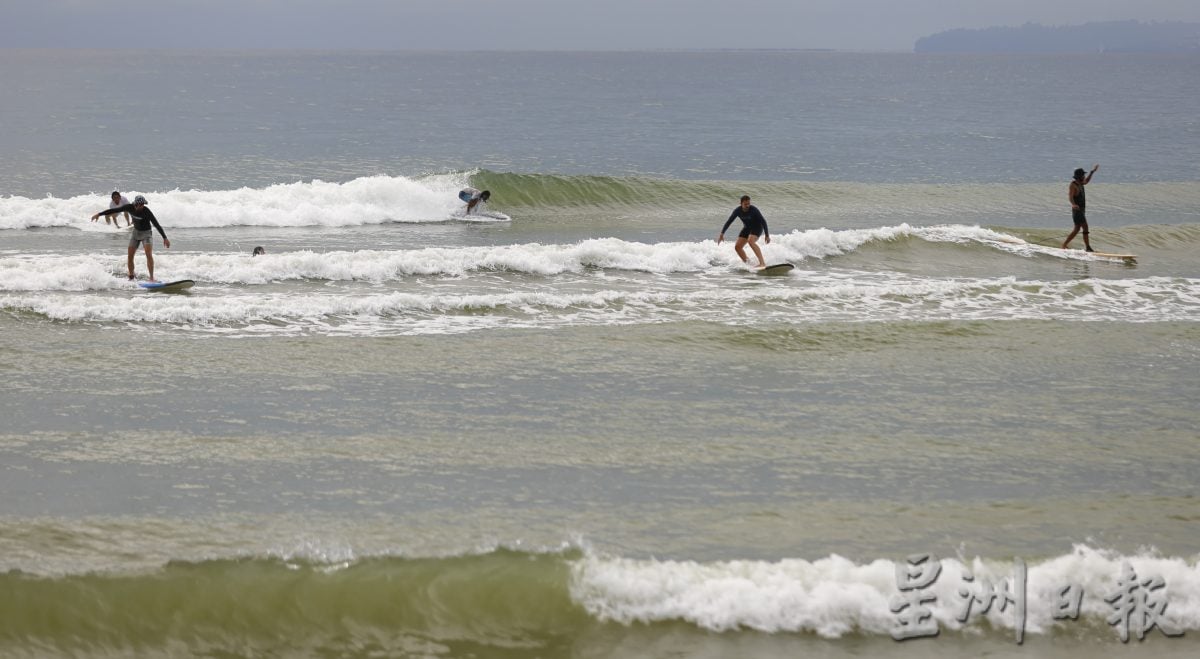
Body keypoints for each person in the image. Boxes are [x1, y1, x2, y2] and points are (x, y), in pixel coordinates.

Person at [91, 194, 171, 281]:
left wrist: (165, 238)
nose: (141, 206)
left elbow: (156, 225)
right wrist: (99, 214)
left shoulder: (146, 211)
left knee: (148, 255)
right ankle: (131, 276)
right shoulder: (129, 207)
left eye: (143, 205)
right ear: (135, 204)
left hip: (146, 234)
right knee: (130, 256)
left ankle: (151, 278)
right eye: (140, 205)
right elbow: (114, 210)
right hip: (135, 234)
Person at [717, 195, 771, 269]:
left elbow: (763, 221)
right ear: (741, 203)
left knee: (750, 241)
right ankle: (749, 264)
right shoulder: (737, 211)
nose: (747, 205)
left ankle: (762, 263)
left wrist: (767, 235)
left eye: (749, 203)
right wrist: (722, 233)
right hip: (747, 228)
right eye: (745, 204)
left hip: (757, 227)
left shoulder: (754, 209)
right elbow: (729, 221)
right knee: (737, 247)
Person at [1063, 164, 1099, 251]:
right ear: (1079, 176)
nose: (1084, 176)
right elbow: (1070, 196)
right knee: (1085, 227)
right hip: (1077, 210)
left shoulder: (1080, 183)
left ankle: (1064, 245)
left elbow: (1086, 181)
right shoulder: (1073, 185)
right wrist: (1073, 204)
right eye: (1083, 175)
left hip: (1082, 210)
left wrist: (1092, 172)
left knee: (1077, 229)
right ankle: (1088, 247)